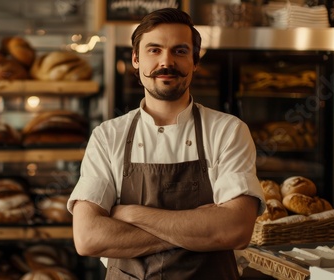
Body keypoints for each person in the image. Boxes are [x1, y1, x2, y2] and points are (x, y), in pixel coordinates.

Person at [66, 7, 266, 280]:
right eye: (154, 50)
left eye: (180, 51)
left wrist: (131, 214)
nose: (166, 62)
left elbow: (235, 231)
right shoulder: (107, 136)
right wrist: (200, 232)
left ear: (195, 61)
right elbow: (88, 238)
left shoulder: (227, 131)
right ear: (136, 59)